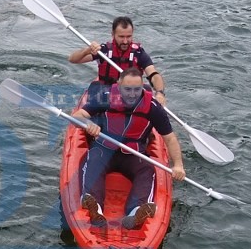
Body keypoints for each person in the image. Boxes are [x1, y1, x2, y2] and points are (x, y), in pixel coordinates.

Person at [71, 68, 185, 230]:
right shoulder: (105, 97)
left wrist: (178, 165)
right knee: (92, 160)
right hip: (105, 150)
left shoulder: (152, 107)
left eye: (137, 89)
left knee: (147, 170)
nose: (132, 94)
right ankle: (95, 208)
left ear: (142, 87)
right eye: (127, 89)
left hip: (134, 154)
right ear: (118, 86)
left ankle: (136, 212)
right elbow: (77, 116)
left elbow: (169, 138)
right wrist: (88, 124)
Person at [68, 16, 168, 106]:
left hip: (130, 96)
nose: (125, 41)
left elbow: (154, 75)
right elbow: (73, 59)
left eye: (128, 36)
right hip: (106, 93)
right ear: (113, 34)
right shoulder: (104, 51)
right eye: (121, 37)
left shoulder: (139, 54)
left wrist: (160, 93)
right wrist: (87, 50)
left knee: (147, 91)